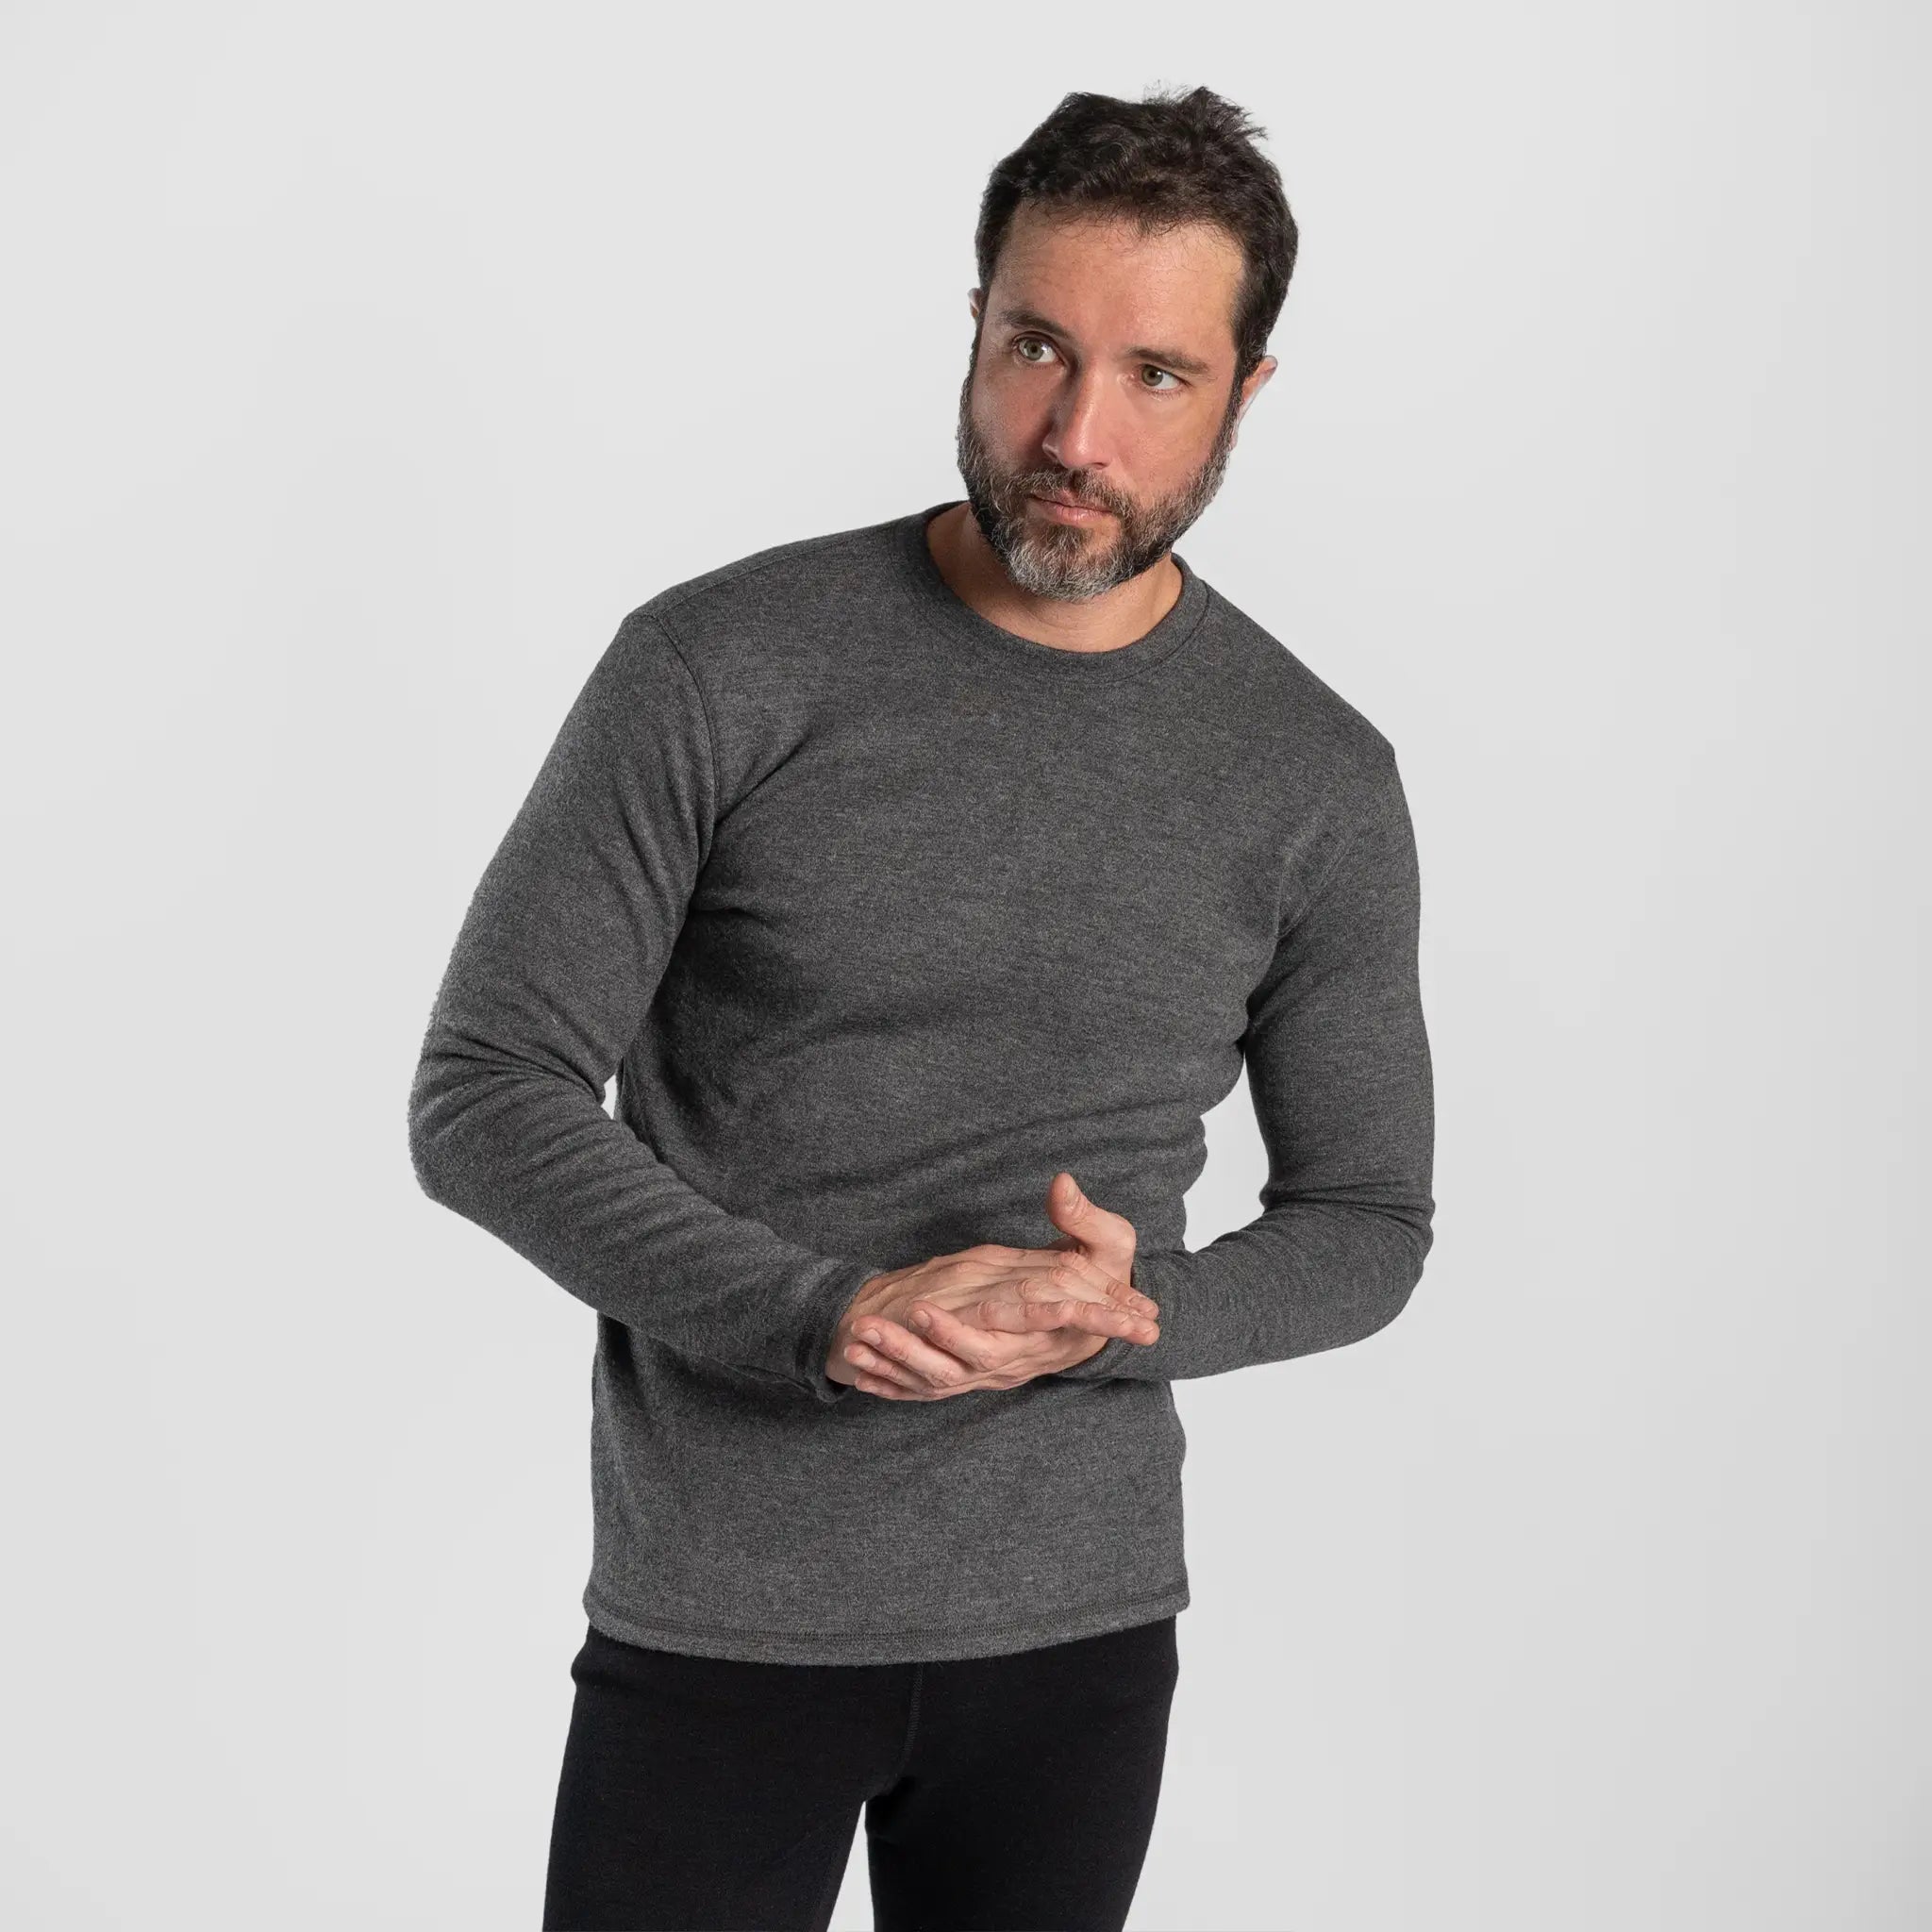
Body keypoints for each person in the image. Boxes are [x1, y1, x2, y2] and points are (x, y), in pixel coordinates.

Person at [408, 81, 1435, 1932]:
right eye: (1037, 346)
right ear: (973, 321)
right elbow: (487, 1089)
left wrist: (1133, 1312)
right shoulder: (718, 666)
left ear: (1246, 391)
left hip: (1077, 1632)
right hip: (723, 1611)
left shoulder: (1314, 774)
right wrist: (826, 1313)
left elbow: (1368, 1222)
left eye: (1156, 375)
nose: (1074, 434)